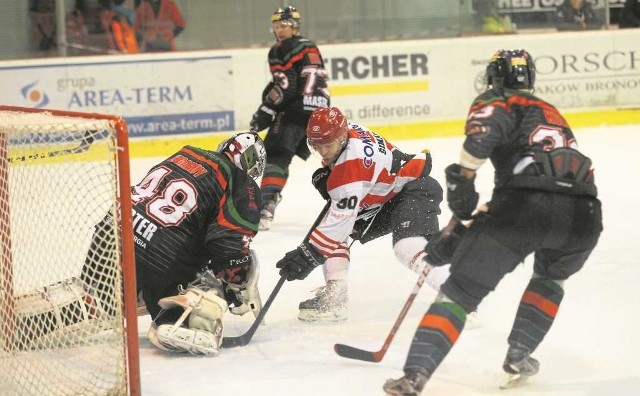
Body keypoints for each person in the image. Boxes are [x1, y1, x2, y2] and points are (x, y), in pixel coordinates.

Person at [382, 49, 602, 395]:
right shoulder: (552, 112)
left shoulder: (499, 100)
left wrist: (464, 181)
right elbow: (538, 182)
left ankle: (414, 377)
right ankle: (520, 354)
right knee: (551, 277)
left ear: (494, 75)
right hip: (584, 216)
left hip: (527, 207)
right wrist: (463, 230)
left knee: (460, 292)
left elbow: (485, 146)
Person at [81, 132, 268, 356]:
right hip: (159, 256)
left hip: (110, 233)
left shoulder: (185, 154)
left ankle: (49, 316)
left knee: (102, 299)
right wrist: (236, 279)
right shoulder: (241, 182)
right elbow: (227, 246)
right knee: (210, 284)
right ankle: (175, 318)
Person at [274, 107, 449, 323]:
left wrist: (307, 256)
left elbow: (340, 223)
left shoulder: (349, 170)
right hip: (385, 196)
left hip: (414, 190)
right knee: (329, 223)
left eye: (328, 145)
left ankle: (458, 297)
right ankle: (336, 295)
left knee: (406, 247)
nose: (323, 152)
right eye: (317, 145)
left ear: (342, 136)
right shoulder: (351, 133)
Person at [249, 6, 330, 231]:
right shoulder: (310, 45)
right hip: (320, 110)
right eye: (277, 25)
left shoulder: (280, 49)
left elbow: (286, 86)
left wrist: (265, 111)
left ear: (294, 26)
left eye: (284, 25)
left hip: (296, 110)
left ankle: (265, 206)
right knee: (331, 156)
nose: (280, 29)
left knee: (276, 155)